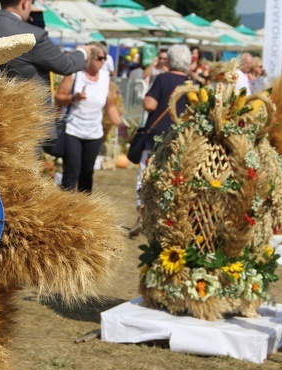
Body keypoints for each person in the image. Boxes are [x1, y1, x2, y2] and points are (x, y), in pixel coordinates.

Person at [129, 44, 190, 237]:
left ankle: (141, 215)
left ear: (170, 60)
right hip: (181, 138)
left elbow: (150, 104)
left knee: (146, 175)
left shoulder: (163, 79)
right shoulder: (192, 84)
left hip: (156, 136)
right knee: (172, 177)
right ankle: (168, 219)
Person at [0, 0, 96, 87]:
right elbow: (67, 65)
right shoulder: (35, 35)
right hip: (29, 116)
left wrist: (34, 25)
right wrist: (84, 51)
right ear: (24, 3)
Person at [54, 43, 123, 193]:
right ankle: (65, 209)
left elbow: (110, 106)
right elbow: (59, 97)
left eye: (105, 58)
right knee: (72, 172)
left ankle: (85, 212)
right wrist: (73, 98)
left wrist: (120, 124)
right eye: (99, 58)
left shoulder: (105, 79)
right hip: (73, 130)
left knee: (87, 173)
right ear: (89, 58)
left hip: (94, 133)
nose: (103, 61)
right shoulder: (75, 74)